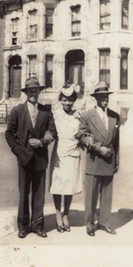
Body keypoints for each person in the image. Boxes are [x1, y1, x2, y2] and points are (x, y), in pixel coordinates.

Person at [5, 77, 57, 239]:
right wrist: (19, 151)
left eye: (36, 90)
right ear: (26, 93)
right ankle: (23, 226)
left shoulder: (46, 111)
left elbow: (52, 132)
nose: (33, 93)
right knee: (24, 193)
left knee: (39, 194)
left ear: (39, 92)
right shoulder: (17, 111)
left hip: (40, 158)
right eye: (30, 91)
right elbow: (9, 134)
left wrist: (41, 142)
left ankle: (38, 225)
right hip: (24, 159)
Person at [76, 81, 120, 237]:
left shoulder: (115, 116)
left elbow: (116, 142)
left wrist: (116, 161)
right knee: (91, 196)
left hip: (109, 159)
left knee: (107, 195)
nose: (105, 100)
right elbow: (80, 137)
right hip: (95, 160)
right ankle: (89, 224)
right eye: (102, 97)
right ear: (96, 98)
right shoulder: (87, 116)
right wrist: (97, 148)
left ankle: (104, 223)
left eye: (106, 96)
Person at [49, 85, 82, 233]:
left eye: (70, 100)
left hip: (73, 154)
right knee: (58, 184)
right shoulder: (55, 115)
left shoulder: (78, 116)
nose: (68, 103)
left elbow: (84, 132)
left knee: (69, 186)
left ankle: (66, 213)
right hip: (59, 154)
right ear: (61, 101)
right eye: (65, 100)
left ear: (74, 101)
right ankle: (57, 212)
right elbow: (49, 130)